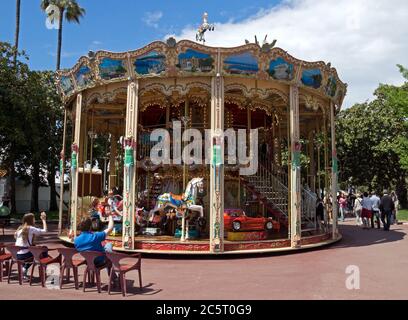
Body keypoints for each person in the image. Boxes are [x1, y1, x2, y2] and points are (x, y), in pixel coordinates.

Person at [14, 212, 48, 280]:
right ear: (31, 220)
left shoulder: (19, 229)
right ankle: (42, 270)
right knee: (44, 251)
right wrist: (44, 220)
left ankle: (24, 270)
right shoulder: (30, 228)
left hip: (16, 254)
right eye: (33, 218)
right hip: (25, 254)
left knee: (32, 252)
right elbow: (44, 231)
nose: (34, 220)